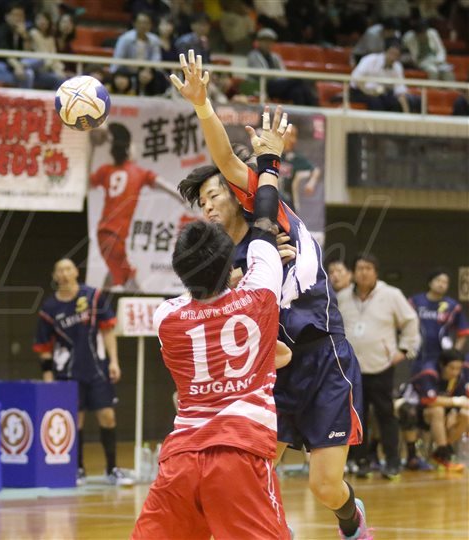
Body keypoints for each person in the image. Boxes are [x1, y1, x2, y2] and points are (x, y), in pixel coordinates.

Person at [171, 50, 370, 540]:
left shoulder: (271, 216)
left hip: (322, 356)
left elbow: (225, 160)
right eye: (201, 203)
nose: (208, 206)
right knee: (254, 472)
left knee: (325, 486)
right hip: (271, 373)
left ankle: (352, 522)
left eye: (214, 195)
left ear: (238, 193)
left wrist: (202, 105)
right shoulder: (225, 263)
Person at [133, 107, 291, 540]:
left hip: (181, 458)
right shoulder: (259, 296)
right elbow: (264, 220)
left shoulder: (167, 317)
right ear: (229, 262)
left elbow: (201, 294)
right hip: (240, 454)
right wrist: (269, 161)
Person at [33, 258, 132, 486]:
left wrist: (114, 361)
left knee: (108, 416)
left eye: (68, 269)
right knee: (75, 421)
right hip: (67, 373)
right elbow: (44, 347)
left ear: (76, 272)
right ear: (55, 276)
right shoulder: (49, 308)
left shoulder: (93, 297)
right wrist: (48, 378)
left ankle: (112, 469)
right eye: (60, 270)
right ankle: (77, 469)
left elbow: (108, 331)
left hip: (97, 368)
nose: (64, 273)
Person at [337, 253, 420, 479]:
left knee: (386, 415)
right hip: (351, 369)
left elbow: (411, 321)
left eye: (368, 268)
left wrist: (404, 350)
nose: (364, 272)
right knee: (357, 417)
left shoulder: (391, 294)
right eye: (360, 268)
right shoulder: (342, 297)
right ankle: (361, 461)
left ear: (376, 272)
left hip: (381, 366)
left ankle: (392, 461)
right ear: (353, 272)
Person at [89, 122, 186, 292]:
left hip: (104, 235)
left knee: (112, 277)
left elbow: (87, 182)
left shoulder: (106, 170)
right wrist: (184, 197)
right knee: (133, 288)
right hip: (114, 238)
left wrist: (92, 147)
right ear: (129, 149)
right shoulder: (138, 172)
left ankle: (98, 305)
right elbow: (168, 188)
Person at [411, 348, 469, 471]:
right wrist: (455, 402)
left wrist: (454, 411)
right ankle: (444, 454)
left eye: (458, 368)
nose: (455, 372)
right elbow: (430, 400)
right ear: (442, 365)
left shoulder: (459, 377)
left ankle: (440, 451)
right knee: (437, 410)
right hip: (418, 413)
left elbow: (462, 398)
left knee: (465, 414)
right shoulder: (429, 372)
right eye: (452, 368)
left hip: (444, 413)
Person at [409, 269, 469, 369]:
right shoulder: (415, 301)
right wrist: (406, 346)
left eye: (445, 282)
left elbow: (463, 332)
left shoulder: (453, 306)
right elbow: (402, 325)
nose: (441, 284)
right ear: (430, 283)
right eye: (438, 281)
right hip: (418, 353)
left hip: (442, 355)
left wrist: (454, 354)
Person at [247, 28, 318, 106]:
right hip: (262, 86)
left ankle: (310, 111)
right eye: (265, 41)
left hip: (278, 85)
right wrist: (279, 77)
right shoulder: (253, 55)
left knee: (298, 91)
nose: (268, 44)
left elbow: (283, 73)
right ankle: (316, 107)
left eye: (270, 41)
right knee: (298, 81)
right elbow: (262, 75)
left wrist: (280, 78)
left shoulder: (275, 57)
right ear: (259, 42)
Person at [350, 38, 418, 113]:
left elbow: (400, 90)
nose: (393, 57)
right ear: (385, 51)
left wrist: (406, 112)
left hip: (382, 93)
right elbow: (357, 80)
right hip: (360, 91)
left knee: (394, 102)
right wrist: (369, 92)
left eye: (396, 55)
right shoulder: (370, 60)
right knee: (376, 102)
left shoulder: (397, 66)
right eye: (392, 53)